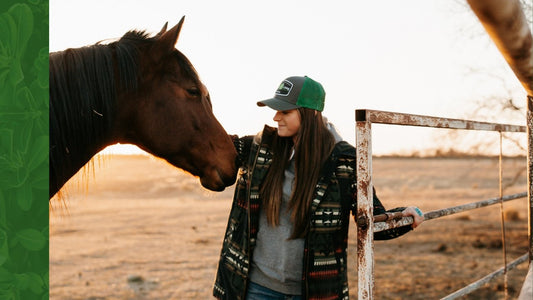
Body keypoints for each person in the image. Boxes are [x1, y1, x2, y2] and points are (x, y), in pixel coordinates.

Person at [213, 75, 424, 300]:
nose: (275, 117)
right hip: (256, 289)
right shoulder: (258, 148)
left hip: (315, 293)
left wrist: (405, 217)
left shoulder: (345, 160)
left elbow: (371, 219)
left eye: (285, 112)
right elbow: (206, 144)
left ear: (310, 113)